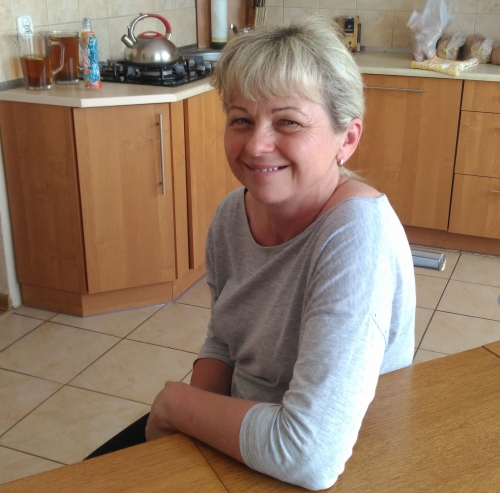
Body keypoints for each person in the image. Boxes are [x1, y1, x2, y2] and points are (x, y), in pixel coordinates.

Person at [88, 16, 416, 491]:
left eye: (288, 122)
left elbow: (311, 455)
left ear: (347, 139)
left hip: (334, 464)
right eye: (241, 120)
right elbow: (225, 338)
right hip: (239, 433)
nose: (257, 146)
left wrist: (178, 406)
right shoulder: (231, 214)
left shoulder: (356, 234)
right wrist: (184, 437)